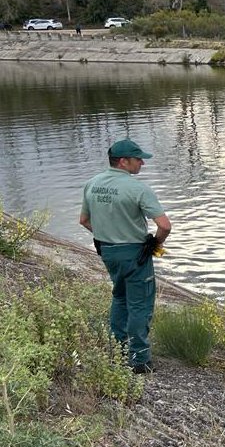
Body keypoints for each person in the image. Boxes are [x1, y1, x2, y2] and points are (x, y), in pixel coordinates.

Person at [79, 139, 172, 374]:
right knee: (140, 304)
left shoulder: (92, 184)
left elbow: (84, 221)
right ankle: (139, 359)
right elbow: (164, 225)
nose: (142, 162)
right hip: (135, 254)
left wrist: (107, 235)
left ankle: (117, 349)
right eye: (138, 158)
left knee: (120, 296)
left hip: (107, 252)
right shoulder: (137, 189)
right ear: (123, 161)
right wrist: (155, 244)